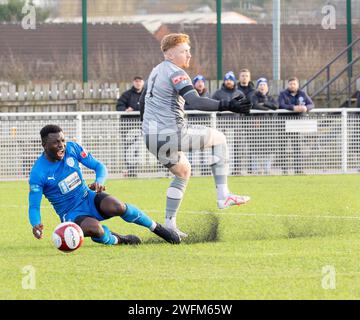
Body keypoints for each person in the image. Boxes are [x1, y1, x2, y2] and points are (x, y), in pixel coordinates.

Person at [141, 33, 252, 238]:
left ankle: (170, 224)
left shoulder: (155, 72)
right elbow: (195, 101)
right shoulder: (177, 73)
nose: (189, 55)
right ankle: (223, 195)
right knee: (220, 139)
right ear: (171, 54)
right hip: (172, 133)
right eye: (185, 51)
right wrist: (227, 105)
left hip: (150, 137)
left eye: (189, 51)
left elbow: (142, 101)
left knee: (183, 171)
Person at [28, 124, 181, 245]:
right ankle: (119, 239)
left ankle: (157, 228)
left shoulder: (72, 148)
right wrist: (36, 224)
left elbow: (99, 166)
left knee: (118, 206)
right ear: (44, 144)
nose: (62, 145)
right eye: (56, 142)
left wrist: (99, 182)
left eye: (62, 140)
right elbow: (34, 206)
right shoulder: (38, 173)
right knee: (96, 229)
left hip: (88, 197)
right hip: (71, 213)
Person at [278, 77, 315, 174]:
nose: (292, 86)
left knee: (297, 147)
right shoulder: (283, 94)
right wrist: (293, 108)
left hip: (297, 124)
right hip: (284, 124)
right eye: (290, 84)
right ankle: (284, 170)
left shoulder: (302, 94)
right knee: (283, 148)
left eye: (294, 84)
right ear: (288, 85)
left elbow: (311, 104)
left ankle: (298, 170)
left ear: (297, 85)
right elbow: (281, 105)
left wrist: (305, 108)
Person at [249, 78, 279, 174]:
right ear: (257, 87)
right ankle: (256, 169)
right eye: (260, 85)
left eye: (264, 85)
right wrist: (267, 108)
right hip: (256, 128)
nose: (262, 87)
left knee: (268, 148)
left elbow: (275, 106)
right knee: (255, 148)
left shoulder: (270, 98)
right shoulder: (254, 96)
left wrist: (265, 104)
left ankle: (267, 169)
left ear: (267, 87)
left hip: (268, 128)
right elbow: (254, 105)